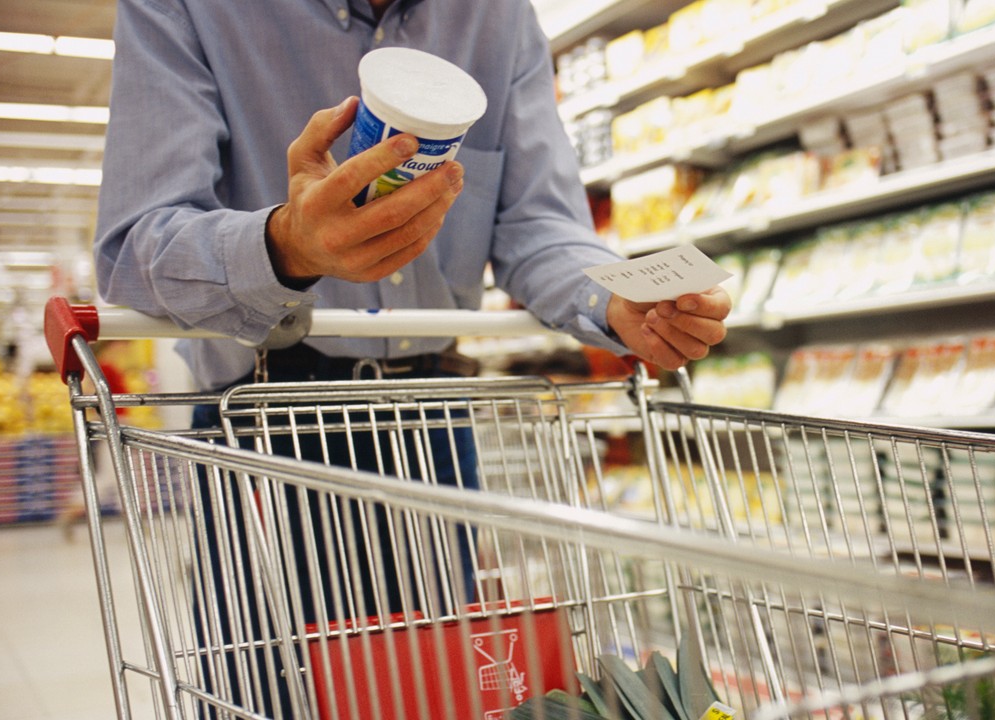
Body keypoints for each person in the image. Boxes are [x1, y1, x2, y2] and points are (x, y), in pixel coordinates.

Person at [94, 0, 731, 715]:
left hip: (431, 426)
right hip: (264, 424)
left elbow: (538, 223)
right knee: (271, 697)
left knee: (435, 695)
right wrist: (285, 245)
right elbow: (135, 244)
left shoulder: (497, 18)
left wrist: (617, 300)